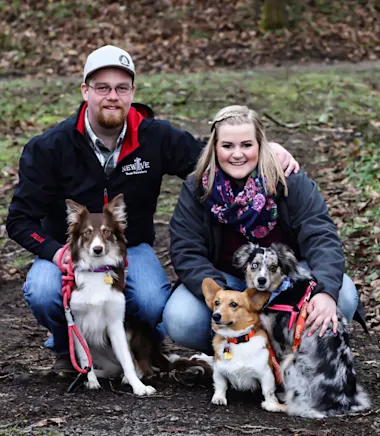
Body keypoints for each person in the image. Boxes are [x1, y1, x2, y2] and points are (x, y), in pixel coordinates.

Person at [6, 46, 299, 373]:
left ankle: (143, 349)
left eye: (121, 88)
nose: (112, 96)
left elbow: (215, 160)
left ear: (132, 92)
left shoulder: (155, 136)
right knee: (43, 291)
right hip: (68, 249)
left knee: (151, 302)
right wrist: (53, 251)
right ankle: (66, 346)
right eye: (102, 87)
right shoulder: (49, 147)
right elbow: (19, 220)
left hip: (131, 247)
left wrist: (266, 149)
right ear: (85, 91)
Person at [163, 105, 359, 354]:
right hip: (229, 282)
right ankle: (236, 353)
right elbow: (185, 249)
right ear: (214, 148)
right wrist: (227, 296)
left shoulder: (290, 180)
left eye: (246, 145)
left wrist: (325, 291)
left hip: (288, 278)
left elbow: (321, 235)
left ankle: (302, 351)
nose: (237, 155)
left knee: (344, 295)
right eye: (227, 146)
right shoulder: (197, 188)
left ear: (261, 146)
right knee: (181, 318)